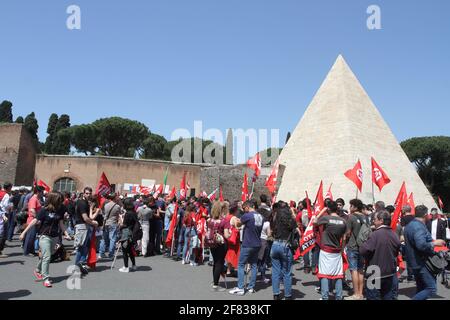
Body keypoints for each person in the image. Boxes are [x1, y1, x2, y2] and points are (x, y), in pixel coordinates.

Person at [19, 192, 71, 287]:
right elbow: (35, 221)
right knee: (47, 257)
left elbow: (61, 223)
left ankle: (38, 270)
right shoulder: (44, 210)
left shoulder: (61, 209)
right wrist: (24, 232)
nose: (61, 202)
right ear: (53, 200)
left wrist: (66, 234)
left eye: (61, 200)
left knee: (47, 255)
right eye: (59, 200)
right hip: (44, 236)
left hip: (55, 237)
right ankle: (46, 278)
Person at [404, 205, 447, 300]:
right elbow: (421, 245)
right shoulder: (418, 226)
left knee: (421, 288)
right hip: (421, 263)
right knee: (431, 288)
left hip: (414, 262)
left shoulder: (410, 225)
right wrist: (434, 243)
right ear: (425, 215)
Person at [360, 210, 401, 300]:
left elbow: (363, 250)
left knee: (372, 297)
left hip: (374, 271)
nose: (373, 221)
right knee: (387, 297)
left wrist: (364, 243)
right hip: (389, 272)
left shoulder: (375, 234)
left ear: (381, 220)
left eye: (374, 219)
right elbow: (397, 249)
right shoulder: (394, 234)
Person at [313, 201, 347, 300]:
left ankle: (325, 296)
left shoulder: (325, 218)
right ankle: (339, 296)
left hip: (326, 250)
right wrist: (342, 249)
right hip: (337, 250)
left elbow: (314, 221)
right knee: (338, 274)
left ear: (328, 209)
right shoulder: (343, 221)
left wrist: (321, 212)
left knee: (324, 274)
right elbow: (344, 237)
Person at [229, 200, 263, 296]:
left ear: (248, 207)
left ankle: (240, 287)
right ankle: (251, 287)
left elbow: (239, 224)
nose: (244, 210)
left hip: (248, 243)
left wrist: (237, 222)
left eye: (244, 208)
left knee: (241, 264)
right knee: (254, 265)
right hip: (257, 243)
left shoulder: (247, 215)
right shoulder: (261, 216)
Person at [270, 205, 297, 300]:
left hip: (275, 244)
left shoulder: (275, 221)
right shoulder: (291, 221)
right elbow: (296, 229)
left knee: (275, 271)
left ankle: (276, 294)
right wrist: (293, 213)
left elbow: (271, 232)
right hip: (286, 246)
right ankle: (288, 295)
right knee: (287, 272)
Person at [73, 187, 99, 275]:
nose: (88, 195)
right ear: (83, 193)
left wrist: (92, 220)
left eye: (89, 193)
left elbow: (89, 217)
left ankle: (80, 263)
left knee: (86, 246)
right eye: (86, 193)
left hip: (85, 226)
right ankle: (77, 266)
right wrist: (93, 223)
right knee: (81, 247)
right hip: (82, 227)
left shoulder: (86, 203)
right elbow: (85, 218)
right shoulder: (82, 203)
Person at [345, 199, 367, 300]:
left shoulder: (351, 217)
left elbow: (348, 233)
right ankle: (361, 293)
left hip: (353, 246)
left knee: (353, 270)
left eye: (351, 206)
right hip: (363, 246)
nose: (350, 208)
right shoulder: (365, 217)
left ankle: (356, 294)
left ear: (354, 207)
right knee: (361, 270)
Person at [206, 201, 228, 292]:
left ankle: (215, 281)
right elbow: (226, 235)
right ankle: (215, 285)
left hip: (212, 242)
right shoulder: (224, 221)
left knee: (216, 262)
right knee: (219, 263)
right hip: (221, 244)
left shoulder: (209, 220)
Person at [118, 197, 139, 272]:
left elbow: (125, 225)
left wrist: (121, 220)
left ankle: (126, 267)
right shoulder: (134, 212)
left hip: (127, 233)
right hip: (132, 233)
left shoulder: (128, 213)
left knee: (124, 250)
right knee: (130, 250)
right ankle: (133, 265)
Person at [23, 186, 45, 256]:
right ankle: (27, 251)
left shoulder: (37, 199)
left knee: (32, 236)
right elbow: (32, 210)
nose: (43, 193)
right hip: (32, 220)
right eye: (42, 192)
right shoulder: (34, 199)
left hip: (34, 220)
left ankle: (31, 250)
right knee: (30, 236)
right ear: (38, 192)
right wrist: (37, 218)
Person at [99, 193, 121, 259]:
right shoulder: (117, 206)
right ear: (114, 198)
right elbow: (119, 214)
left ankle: (101, 253)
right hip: (113, 223)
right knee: (112, 239)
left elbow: (103, 213)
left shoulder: (106, 205)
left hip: (106, 223)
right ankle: (111, 254)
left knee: (104, 239)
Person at [224, 202, 240, 276]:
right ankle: (229, 270)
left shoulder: (227, 216)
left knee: (229, 252)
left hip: (228, 236)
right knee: (232, 253)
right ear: (235, 210)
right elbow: (237, 227)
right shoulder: (234, 218)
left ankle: (228, 269)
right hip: (233, 238)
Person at [0, 182, 13, 258]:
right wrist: (10, 206)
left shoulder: (1, 193)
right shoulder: (6, 195)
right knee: (3, 233)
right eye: (11, 187)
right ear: (8, 188)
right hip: (4, 214)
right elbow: (5, 205)